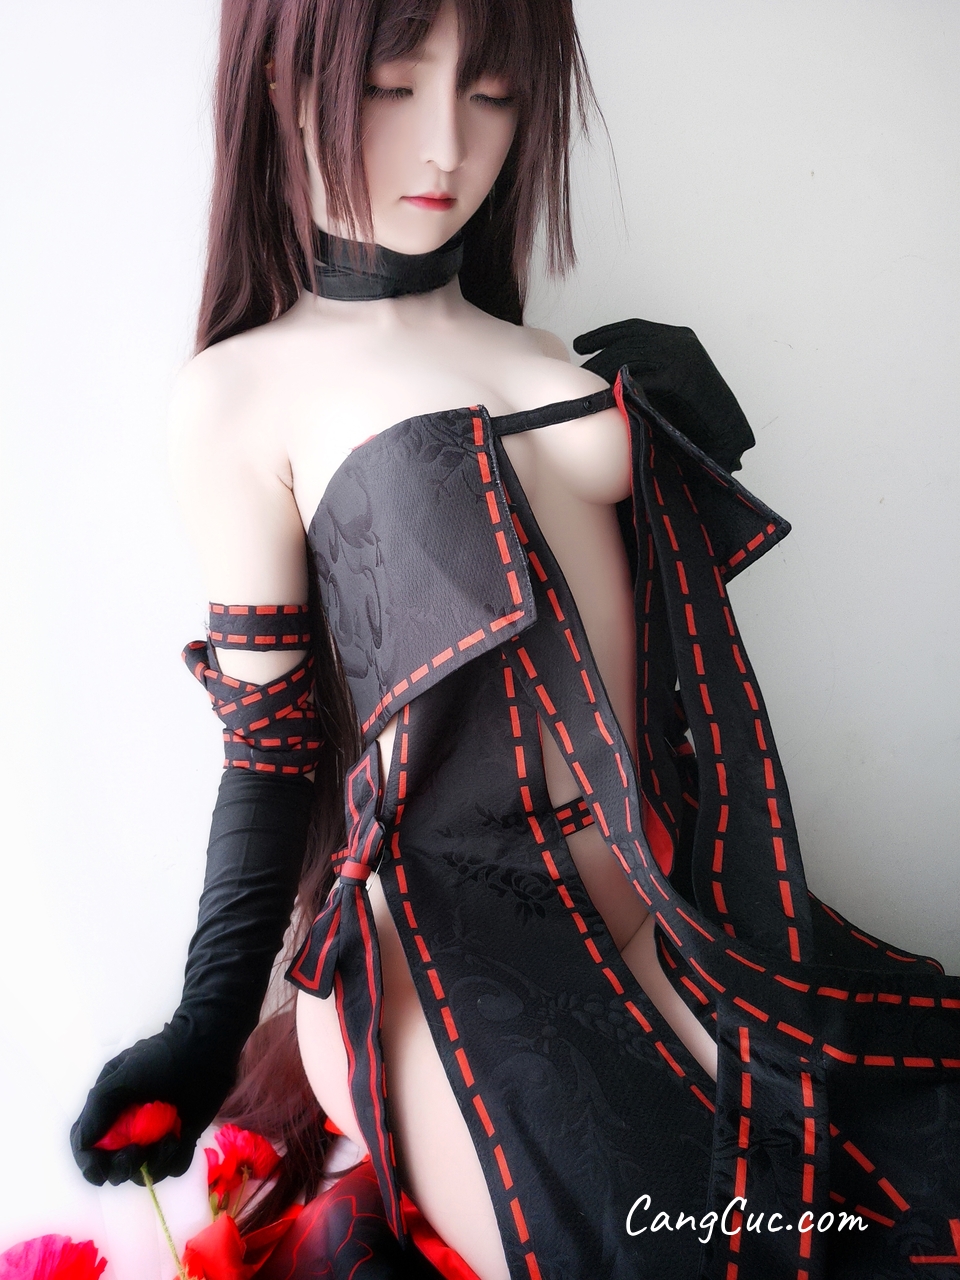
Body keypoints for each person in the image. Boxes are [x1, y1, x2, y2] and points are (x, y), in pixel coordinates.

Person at [70, 1, 960, 1277]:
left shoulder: (543, 351)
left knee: (905, 1169)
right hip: (446, 954)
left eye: (490, 94)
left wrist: (692, 437)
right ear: (279, 81)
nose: (446, 145)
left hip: (672, 895)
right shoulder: (242, 394)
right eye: (392, 87)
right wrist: (205, 1026)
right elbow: (270, 751)